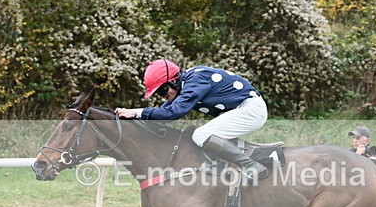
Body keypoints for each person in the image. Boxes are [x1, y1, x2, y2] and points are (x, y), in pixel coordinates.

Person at [115, 59, 270, 180]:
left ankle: (251, 166)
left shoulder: (195, 79)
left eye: (163, 90)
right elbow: (163, 113)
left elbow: (172, 113)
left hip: (250, 109)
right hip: (242, 109)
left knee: (200, 135)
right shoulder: (185, 86)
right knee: (204, 134)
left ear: (174, 80)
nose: (163, 96)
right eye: (159, 94)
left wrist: (137, 112)